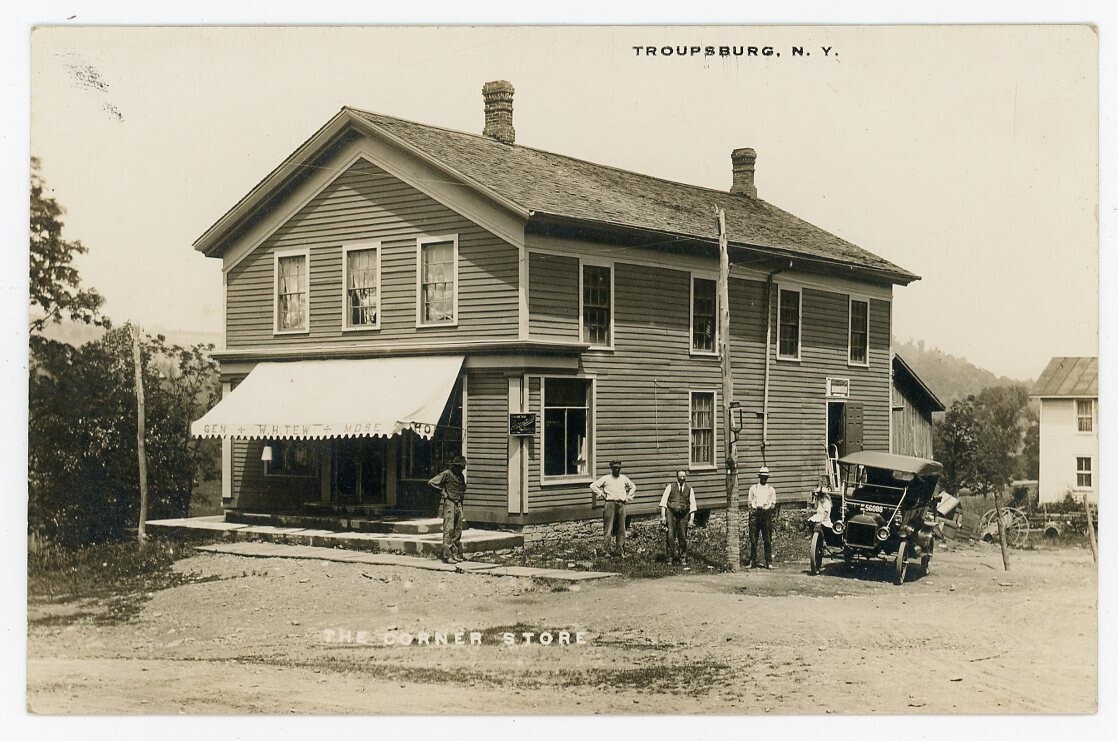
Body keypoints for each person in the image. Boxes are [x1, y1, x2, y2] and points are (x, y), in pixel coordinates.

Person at [590, 460, 636, 557]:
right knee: (609, 528)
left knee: (621, 528)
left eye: (618, 468)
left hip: (621, 504)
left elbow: (633, 487)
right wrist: (601, 494)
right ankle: (605, 550)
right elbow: (593, 486)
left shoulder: (623, 478)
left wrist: (628, 497)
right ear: (611, 468)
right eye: (615, 468)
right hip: (610, 504)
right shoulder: (606, 478)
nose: (617, 470)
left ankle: (620, 550)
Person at [428, 455, 468, 564]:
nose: (462, 469)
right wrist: (443, 493)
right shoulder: (447, 474)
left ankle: (455, 553)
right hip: (449, 503)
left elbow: (463, 487)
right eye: (460, 466)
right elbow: (432, 482)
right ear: (455, 466)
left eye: (463, 467)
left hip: (458, 503)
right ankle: (447, 555)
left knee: (458, 529)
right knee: (449, 529)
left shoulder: (461, 477)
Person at [659, 470, 697, 566]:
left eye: (684, 476)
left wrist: (691, 519)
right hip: (671, 513)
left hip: (683, 515)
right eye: (680, 476)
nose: (682, 478)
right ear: (677, 477)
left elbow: (693, 505)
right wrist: (663, 516)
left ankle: (682, 557)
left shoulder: (689, 489)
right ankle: (670, 558)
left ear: (686, 477)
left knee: (683, 536)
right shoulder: (670, 487)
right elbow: (663, 502)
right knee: (670, 536)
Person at [747, 466, 777, 569]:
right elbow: (750, 502)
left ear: (767, 478)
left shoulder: (771, 489)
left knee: (767, 539)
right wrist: (753, 511)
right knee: (753, 539)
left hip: (766, 515)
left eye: (766, 477)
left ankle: (768, 562)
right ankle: (752, 561)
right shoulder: (753, 488)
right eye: (762, 477)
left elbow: (773, 504)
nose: (764, 479)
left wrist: (767, 508)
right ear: (759, 477)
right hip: (755, 514)